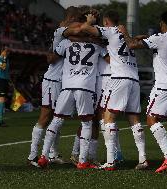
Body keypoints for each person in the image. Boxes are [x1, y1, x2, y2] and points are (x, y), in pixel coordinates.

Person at [80, 10, 148, 171]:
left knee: (108, 117)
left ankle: (110, 161)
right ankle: (143, 159)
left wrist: (89, 21)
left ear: (105, 22)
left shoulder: (110, 31)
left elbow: (85, 29)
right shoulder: (126, 35)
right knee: (134, 119)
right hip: (134, 79)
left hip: (119, 78)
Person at [118, 10, 167, 173]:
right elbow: (160, 48)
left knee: (151, 119)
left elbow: (132, 45)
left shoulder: (160, 38)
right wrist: (144, 38)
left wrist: (125, 33)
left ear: (162, 23)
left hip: (164, 85)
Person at [27, 7, 81, 167]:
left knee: (57, 118)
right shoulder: (61, 32)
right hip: (53, 80)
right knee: (45, 117)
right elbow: (52, 58)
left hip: (62, 82)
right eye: (78, 21)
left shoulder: (67, 35)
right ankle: (31, 156)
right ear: (71, 18)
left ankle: (52, 154)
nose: (80, 26)